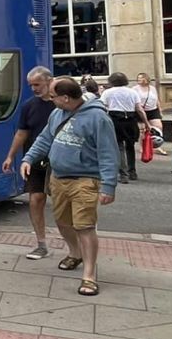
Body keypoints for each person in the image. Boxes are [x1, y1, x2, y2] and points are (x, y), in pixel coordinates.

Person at [21, 76, 119, 297]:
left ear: (65, 97)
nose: (50, 99)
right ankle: (75, 253)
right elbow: (45, 139)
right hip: (58, 177)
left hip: (85, 179)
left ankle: (89, 276)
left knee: (84, 226)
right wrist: (28, 159)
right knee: (63, 222)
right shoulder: (57, 113)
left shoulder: (98, 118)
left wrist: (108, 186)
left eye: (53, 96)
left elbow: (108, 153)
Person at [3, 66, 57, 259]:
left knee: (63, 205)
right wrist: (10, 156)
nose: (34, 88)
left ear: (49, 81)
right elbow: (22, 132)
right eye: (31, 85)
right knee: (35, 200)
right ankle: (41, 244)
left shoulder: (62, 104)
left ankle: (75, 245)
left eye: (37, 84)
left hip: (60, 162)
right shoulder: (28, 106)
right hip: (35, 159)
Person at [100, 73, 147, 182]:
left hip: (115, 119)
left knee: (119, 146)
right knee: (130, 146)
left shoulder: (107, 92)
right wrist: (147, 124)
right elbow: (139, 109)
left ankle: (123, 174)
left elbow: (102, 106)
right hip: (130, 119)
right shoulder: (132, 92)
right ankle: (132, 171)